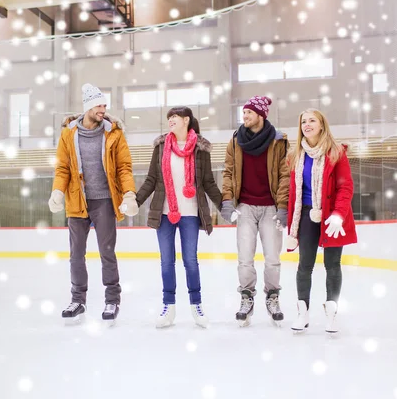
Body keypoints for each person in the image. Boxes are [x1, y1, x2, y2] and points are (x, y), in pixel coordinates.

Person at [48, 83, 139, 325]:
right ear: (87, 107)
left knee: (107, 253)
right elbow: (63, 168)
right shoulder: (69, 134)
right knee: (76, 254)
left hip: (105, 202)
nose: (103, 109)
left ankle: (112, 299)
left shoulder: (113, 133)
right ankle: (78, 299)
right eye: (99, 105)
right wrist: (57, 191)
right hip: (78, 201)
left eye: (104, 105)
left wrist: (129, 193)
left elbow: (123, 167)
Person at [135, 106, 223, 328]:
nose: (170, 120)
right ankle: (168, 308)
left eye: (174, 117)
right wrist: (135, 201)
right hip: (164, 213)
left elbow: (209, 183)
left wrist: (225, 206)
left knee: (190, 261)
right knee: (167, 262)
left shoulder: (200, 149)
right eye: (169, 118)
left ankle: (197, 306)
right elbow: (151, 180)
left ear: (186, 120)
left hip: (191, 214)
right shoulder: (162, 146)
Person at [285, 108, 357, 334]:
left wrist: (338, 214)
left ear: (322, 125)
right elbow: (293, 192)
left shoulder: (336, 152)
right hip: (306, 215)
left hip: (332, 216)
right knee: (304, 266)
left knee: (332, 265)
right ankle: (303, 313)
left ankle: (331, 314)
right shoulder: (297, 155)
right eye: (303, 121)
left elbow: (345, 187)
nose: (307, 124)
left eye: (312, 120)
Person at [221, 96, 290, 326]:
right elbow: (229, 172)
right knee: (245, 258)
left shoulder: (278, 141)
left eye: (249, 113)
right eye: (244, 114)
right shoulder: (235, 141)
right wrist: (228, 201)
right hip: (245, 207)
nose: (245, 117)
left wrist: (282, 208)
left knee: (272, 258)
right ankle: (246, 297)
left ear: (261, 115)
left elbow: (284, 176)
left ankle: (272, 297)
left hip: (270, 207)